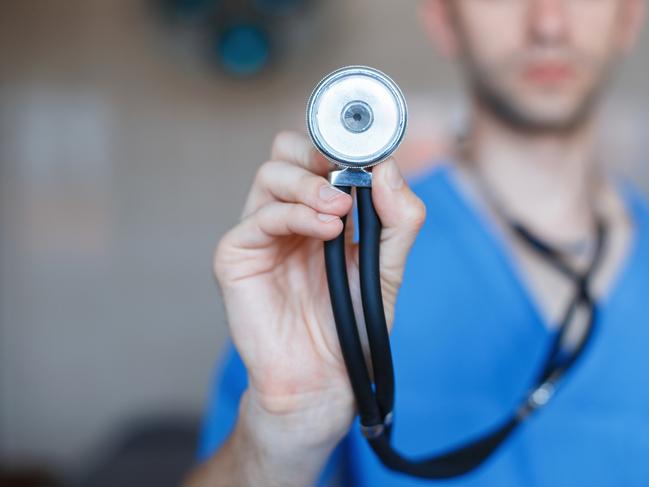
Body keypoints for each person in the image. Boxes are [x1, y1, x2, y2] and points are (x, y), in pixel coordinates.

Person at [185, 1, 648, 485]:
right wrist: (282, 432)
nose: (548, 24)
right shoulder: (333, 262)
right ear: (444, 21)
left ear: (630, 18)